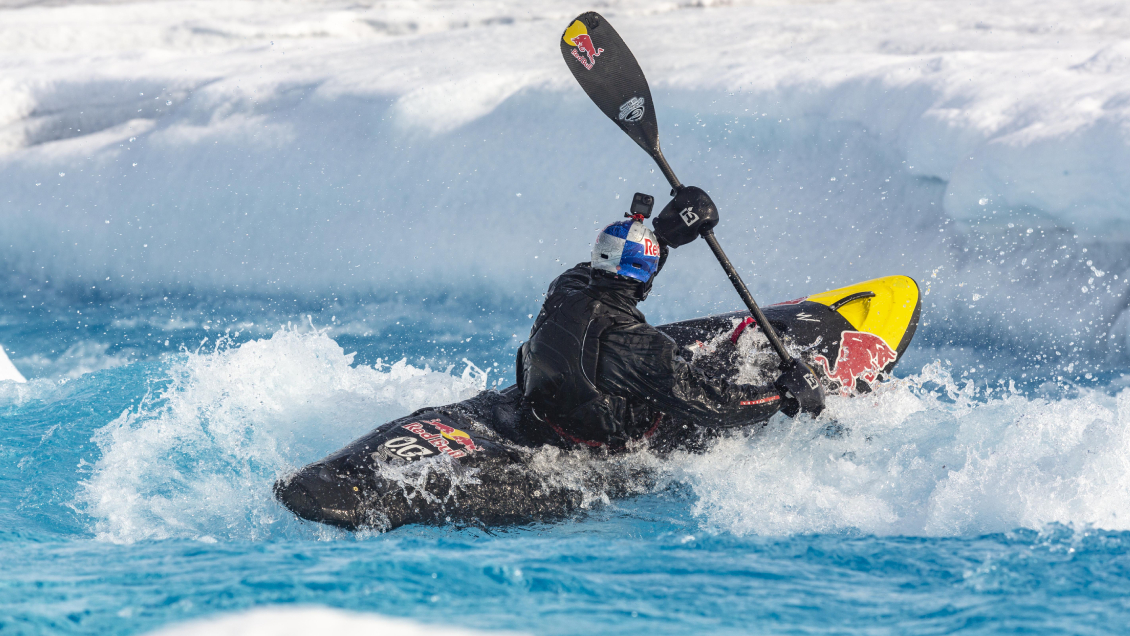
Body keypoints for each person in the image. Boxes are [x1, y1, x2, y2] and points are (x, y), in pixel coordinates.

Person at [517, 186, 825, 449]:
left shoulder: (565, 288)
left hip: (551, 408)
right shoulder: (642, 346)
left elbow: (614, 269)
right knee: (708, 388)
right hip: (605, 440)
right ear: (646, 278)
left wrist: (662, 238)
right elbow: (715, 407)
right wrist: (780, 396)